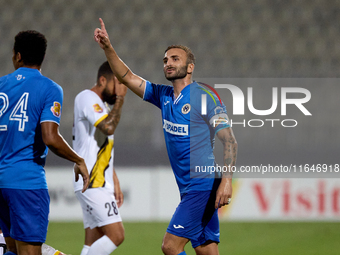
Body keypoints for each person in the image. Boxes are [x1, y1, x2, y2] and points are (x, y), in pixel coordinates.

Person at [94, 19, 238, 255]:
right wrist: (108, 47)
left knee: (170, 246)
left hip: (202, 184)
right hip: (189, 186)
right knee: (205, 248)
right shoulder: (163, 96)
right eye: (165, 60)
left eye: (175, 59)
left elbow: (229, 140)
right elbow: (127, 76)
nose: (168, 63)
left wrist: (227, 181)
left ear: (190, 67)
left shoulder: (204, 95)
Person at [0, 30, 89, 255]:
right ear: (42, 57)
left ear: (17, 55)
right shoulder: (50, 88)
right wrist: (78, 159)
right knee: (29, 251)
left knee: (11, 249)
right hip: (25, 183)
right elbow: (50, 137)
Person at [72, 61, 127, 255]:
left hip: (98, 180)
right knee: (117, 235)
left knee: (91, 241)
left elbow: (100, 148)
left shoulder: (100, 106)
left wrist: (114, 178)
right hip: (93, 182)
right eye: (116, 84)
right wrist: (120, 98)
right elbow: (109, 128)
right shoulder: (87, 97)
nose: (119, 89)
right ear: (103, 80)